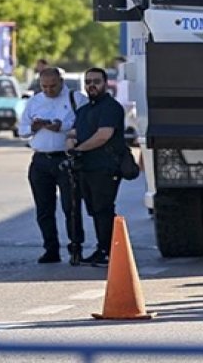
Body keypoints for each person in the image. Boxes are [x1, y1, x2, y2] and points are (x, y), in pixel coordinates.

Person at [19, 67, 89, 264]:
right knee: (44, 209)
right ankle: (51, 248)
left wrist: (63, 126)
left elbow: (85, 126)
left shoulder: (76, 99)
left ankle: (76, 248)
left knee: (71, 207)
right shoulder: (35, 101)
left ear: (61, 82)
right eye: (44, 86)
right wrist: (33, 127)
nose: (49, 90)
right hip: (41, 159)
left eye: (53, 86)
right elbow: (22, 130)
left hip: (65, 158)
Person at [68, 67, 128, 268]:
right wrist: (70, 145)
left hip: (105, 167)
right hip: (87, 168)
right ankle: (103, 249)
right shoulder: (84, 110)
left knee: (103, 209)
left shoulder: (110, 107)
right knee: (94, 209)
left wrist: (79, 149)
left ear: (105, 83)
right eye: (88, 82)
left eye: (96, 81)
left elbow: (104, 135)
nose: (91, 85)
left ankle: (109, 251)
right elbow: (74, 132)